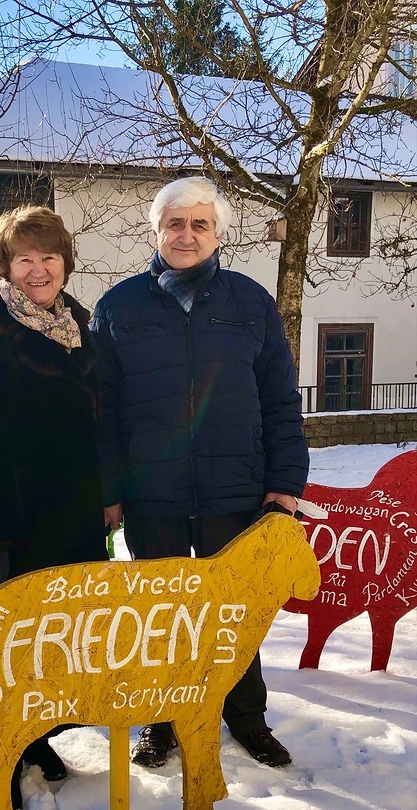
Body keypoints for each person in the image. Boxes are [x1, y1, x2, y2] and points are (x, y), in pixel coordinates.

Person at [92, 176, 309, 769]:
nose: (186, 235)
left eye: (199, 224)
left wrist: (285, 487)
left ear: (218, 234)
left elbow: (280, 401)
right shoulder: (118, 308)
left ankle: (247, 719)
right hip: (152, 495)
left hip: (236, 491)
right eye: (175, 223)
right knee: (161, 617)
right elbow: (103, 411)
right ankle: (162, 722)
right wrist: (109, 492)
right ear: (156, 231)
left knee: (234, 616)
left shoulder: (251, 304)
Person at [0, 206, 106, 810]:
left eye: (49, 257)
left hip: (72, 525)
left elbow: (97, 432)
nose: (38, 270)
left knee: (55, 643)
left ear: (66, 263)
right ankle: (0, 755)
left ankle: (37, 739)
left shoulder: (82, 335)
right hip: (8, 527)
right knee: (5, 648)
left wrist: (107, 501)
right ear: (6, 268)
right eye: (24, 259)